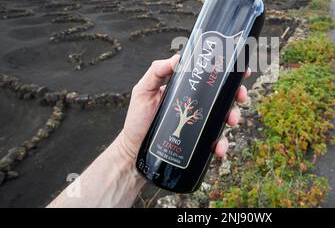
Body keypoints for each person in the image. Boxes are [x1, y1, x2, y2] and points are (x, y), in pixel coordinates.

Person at [48, 54, 249, 208]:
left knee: (219, 103)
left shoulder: (253, 9)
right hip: (144, 151)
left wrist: (127, 156)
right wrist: (129, 149)